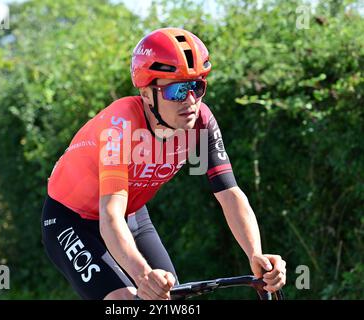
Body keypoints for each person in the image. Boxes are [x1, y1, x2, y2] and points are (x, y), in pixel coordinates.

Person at [41, 27, 286, 300]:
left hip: (131, 215)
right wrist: (143, 276)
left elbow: (229, 194)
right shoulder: (120, 127)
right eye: (177, 90)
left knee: (168, 301)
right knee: (124, 302)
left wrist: (256, 254)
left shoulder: (201, 123)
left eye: (197, 86)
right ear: (147, 94)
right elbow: (109, 216)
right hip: (73, 220)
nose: (191, 100)